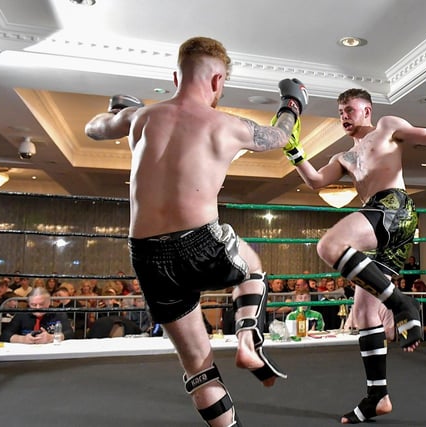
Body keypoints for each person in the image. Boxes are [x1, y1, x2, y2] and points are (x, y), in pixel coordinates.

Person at [85, 36, 304, 426]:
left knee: (199, 369)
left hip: (147, 255)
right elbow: (280, 136)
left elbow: (94, 129)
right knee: (252, 268)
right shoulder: (227, 124)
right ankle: (247, 339)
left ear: (175, 76)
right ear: (218, 81)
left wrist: (122, 109)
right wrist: (293, 101)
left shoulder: (140, 119)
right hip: (200, 242)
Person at [283, 87, 426, 423]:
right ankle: (378, 395)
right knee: (363, 313)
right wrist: (294, 151)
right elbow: (316, 182)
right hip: (379, 226)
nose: (344, 115)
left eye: (349, 108)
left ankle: (402, 303)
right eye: (340, 110)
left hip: (393, 207)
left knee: (328, 245)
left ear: (367, 110)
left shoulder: (387, 127)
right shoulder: (343, 158)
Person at [0, 287, 74, 343]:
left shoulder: (58, 313)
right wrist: (23, 339)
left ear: (48, 303)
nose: (38, 308)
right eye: (34, 304)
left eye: (41, 304)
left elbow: (70, 333)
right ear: (29, 304)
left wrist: (52, 337)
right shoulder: (22, 314)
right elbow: (5, 335)